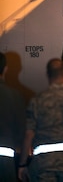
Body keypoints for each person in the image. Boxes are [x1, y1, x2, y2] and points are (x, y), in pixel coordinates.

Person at [18, 58, 63, 182]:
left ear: (47, 75)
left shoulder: (38, 101)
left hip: (44, 165)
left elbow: (29, 134)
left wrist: (23, 164)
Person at [0, 52, 26, 182]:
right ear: (5, 69)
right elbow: (22, 130)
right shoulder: (15, 96)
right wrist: (22, 163)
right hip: (5, 160)